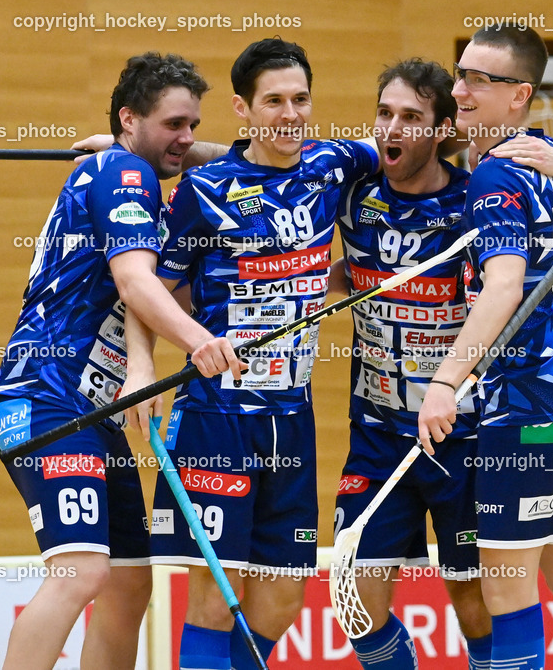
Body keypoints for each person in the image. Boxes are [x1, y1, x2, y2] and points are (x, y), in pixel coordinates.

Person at [331, 59, 553, 670]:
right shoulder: (352, 189)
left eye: (411, 117)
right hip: (379, 434)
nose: (392, 128)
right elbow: (270, 166)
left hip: (465, 431)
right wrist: (167, 150)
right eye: (384, 113)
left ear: (441, 130)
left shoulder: (477, 193)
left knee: (479, 599)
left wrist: (445, 382)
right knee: (355, 603)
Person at [0, 52, 240, 670]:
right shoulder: (124, 172)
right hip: (47, 401)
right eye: (174, 124)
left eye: (193, 124)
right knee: (82, 572)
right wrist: (199, 341)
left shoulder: (122, 169)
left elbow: (240, 157)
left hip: (94, 414)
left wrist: (148, 148)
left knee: (128, 584)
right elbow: (135, 283)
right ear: (130, 118)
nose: (187, 138)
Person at [143, 38, 379, 670]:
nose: (290, 114)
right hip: (216, 417)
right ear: (242, 109)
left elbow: (414, 146)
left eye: (301, 99)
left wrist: (531, 156)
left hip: (292, 417)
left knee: (282, 599)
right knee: (214, 601)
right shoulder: (202, 190)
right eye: (273, 101)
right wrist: (159, 359)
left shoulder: (333, 163)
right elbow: (150, 291)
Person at [418, 25, 553, 670]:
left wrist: (445, 381)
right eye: (460, 74)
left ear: (519, 95)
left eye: (479, 80)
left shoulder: (495, 177)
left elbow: (504, 286)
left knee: (507, 591)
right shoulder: (540, 152)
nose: (460, 90)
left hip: (526, 411)